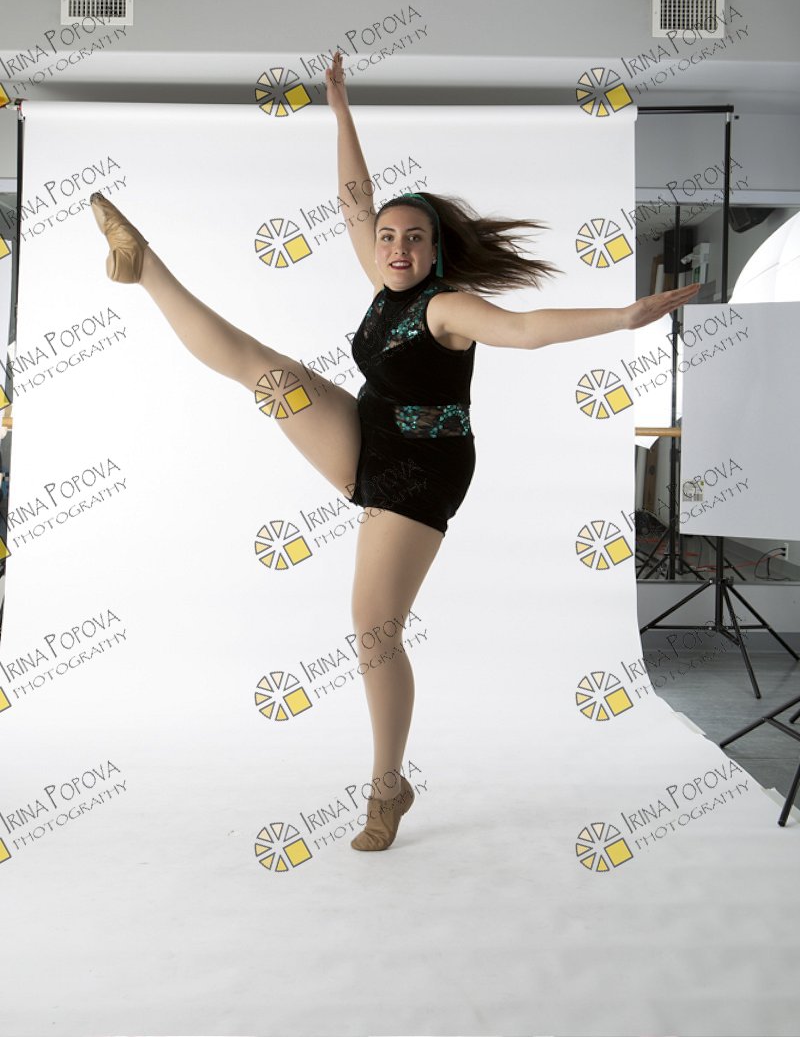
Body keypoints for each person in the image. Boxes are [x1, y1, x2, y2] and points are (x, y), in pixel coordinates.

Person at [89, 50, 700, 852]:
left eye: (413, 238)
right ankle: (145, 266)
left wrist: (620, 318)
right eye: (387, 237)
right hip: (371, 429)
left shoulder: (448, 306)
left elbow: (523, 330)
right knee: (264, 371)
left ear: (434, 250)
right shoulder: (382, 284)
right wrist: (340, 108)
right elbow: (354, 199)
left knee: (374, 628)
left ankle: (388, 785)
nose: (395, 246)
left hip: (426, 464)